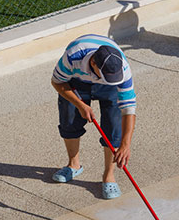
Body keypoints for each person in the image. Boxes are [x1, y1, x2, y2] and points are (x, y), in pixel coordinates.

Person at [50, 34, 136, 199]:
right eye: (104, 75)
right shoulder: (73, 55)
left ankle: (108, 176)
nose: (106, 78)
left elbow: (129, 108)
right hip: (77, 82)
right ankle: (74, 165)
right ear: (93, 63)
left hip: (110, 89)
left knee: (114, 129)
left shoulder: (121, 69)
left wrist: (126, 144)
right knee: (69, 121)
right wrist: (80, 105)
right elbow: (57, 82)